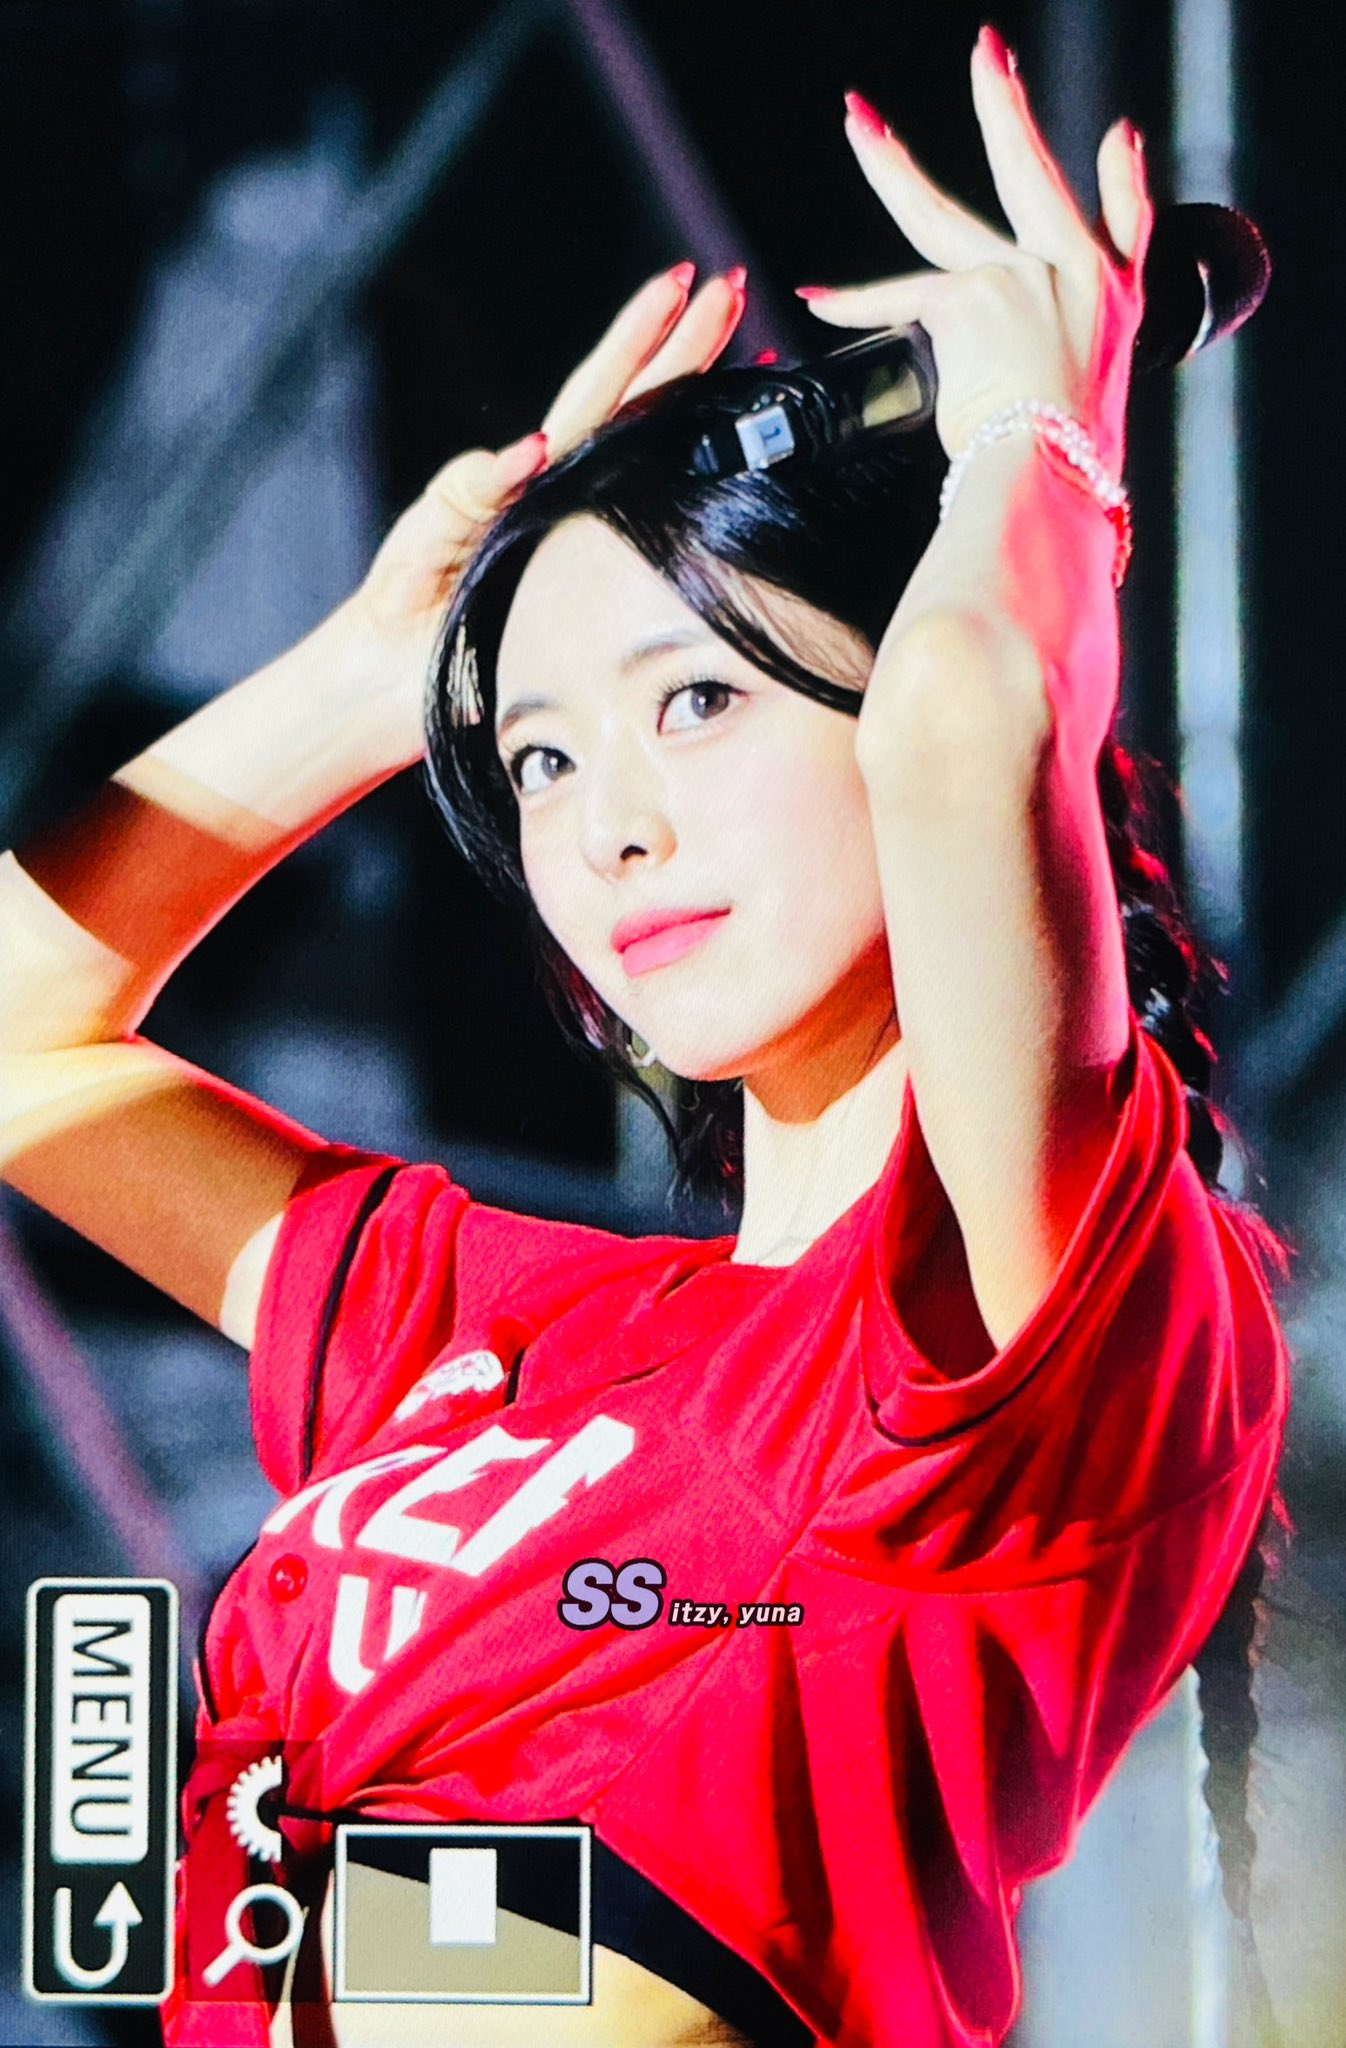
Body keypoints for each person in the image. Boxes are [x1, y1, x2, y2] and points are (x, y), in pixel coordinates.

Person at [0, 28, 1288, 2048]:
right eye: (538, 756)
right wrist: (370, 680)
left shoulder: (1021, 1323)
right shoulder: (481, 1329)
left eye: (698, 702)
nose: (606, 823)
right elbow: (21, 1052)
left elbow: (966, 716)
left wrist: (1034, 450)